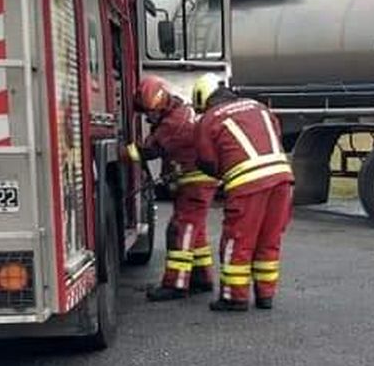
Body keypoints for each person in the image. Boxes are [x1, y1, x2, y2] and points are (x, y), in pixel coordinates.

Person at [191, 73, 295, 311]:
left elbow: (207, 160)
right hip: (282, 179)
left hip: (248, 185)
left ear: (203, 99)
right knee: (269, 240)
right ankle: (265, 296)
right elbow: (275, 137)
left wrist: (222, 173)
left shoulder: (208, 119)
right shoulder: (260, 107)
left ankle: (234, 297)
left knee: (238, 241)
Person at [122, 75, 218, 301]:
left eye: (149, 113)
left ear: (159, 102)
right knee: (197, 231)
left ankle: (175, 284)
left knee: (179, 229)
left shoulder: (172, 124)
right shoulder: (180, 111)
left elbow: (147, 151)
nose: (149, 117)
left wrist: (121, 153)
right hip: (199, 181)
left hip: (194, 183)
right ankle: (202, 278)